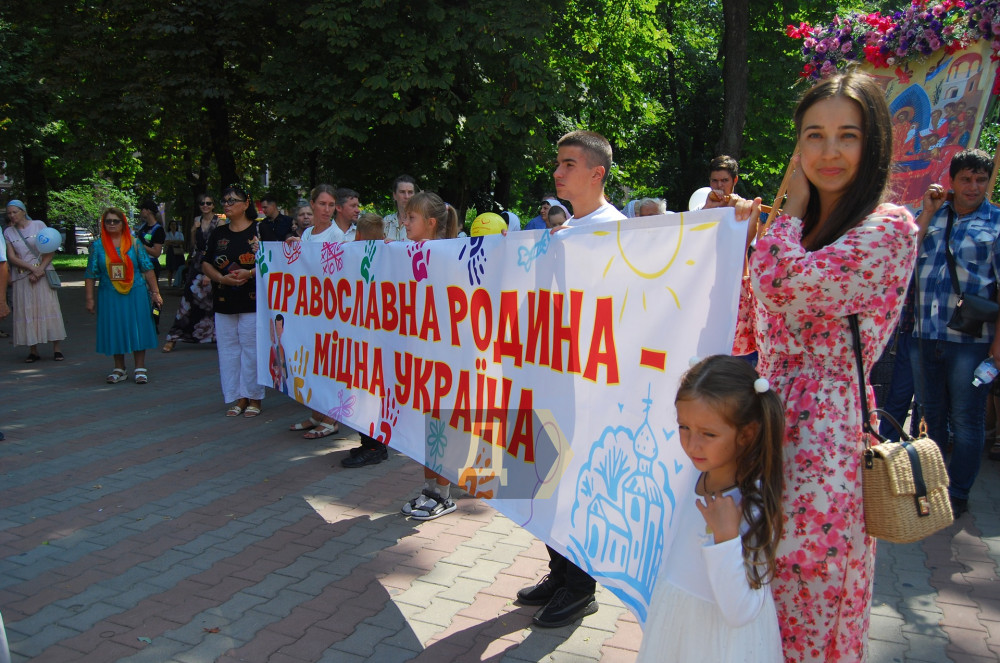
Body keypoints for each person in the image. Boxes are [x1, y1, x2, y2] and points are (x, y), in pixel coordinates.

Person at [724, 72, 918, 661]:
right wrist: (741, 240)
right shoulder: (789, 233)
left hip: (826, 437)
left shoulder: (889, 228)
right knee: (750, 599)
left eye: (847, 135)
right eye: (814, 135)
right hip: (760, 424)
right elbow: (744, 328)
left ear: (874, 143)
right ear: (797, 146)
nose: (829, 152)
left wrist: (783, 217)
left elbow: (784, 285)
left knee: (810, 604)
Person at [518, 130, 627, 629]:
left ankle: (582, 588)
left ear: (596, 173)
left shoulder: (617, 232)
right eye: (558, 163)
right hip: (552, 377)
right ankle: (559, 573)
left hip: (591, 387)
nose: (557, 173)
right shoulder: (561, 233)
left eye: (568, 164)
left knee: (580, 483)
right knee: (547, 477)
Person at [637, 356, 784, 662]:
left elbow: (742, 611)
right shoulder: (691, 474)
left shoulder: (750, 505)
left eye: (708, 434)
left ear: (746, 434)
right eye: (684, 427)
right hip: (674, 626)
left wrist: (726, 538)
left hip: (718, 646)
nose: (692, 445)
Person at [910, 148, 1000, 517]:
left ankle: (958, 493)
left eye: (981, 179)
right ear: (953, 180)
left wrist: (998, 344)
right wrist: (928, 212)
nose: (973, 186)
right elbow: (903, 256)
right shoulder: (932, 215)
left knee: (966, 419)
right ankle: (931, 487)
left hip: (971, 340)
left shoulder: (996, 223)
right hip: (924, 331)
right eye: (966, 179)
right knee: (930, 416)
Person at [394, 192, 461, 494]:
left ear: (431, 222)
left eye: (411, 218)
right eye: (405, 217)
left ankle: (443, 492)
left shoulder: (452, 254)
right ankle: (429, 488)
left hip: (443, 356)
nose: (405, 223)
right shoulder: (404, 253)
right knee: (426, 425)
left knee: (441, 424)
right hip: (420, 355)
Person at [287, 184, 349, 438]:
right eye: (322, 204)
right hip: (309, 310)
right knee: (312, 363)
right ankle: (317, 413)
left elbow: (338, 273)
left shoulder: (337, 236)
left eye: (331, 205)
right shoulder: (307, 234)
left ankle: (332, 419)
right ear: (312, 204)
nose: (326, 209)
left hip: (329, 311)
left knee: (329, 364)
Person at [201, 185, 264, 418]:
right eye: (225, 200)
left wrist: (250, 273)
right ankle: (238, 397)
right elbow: (206, 262)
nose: (227, 204)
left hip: (252, 301)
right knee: (228, 350)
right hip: (224, 298)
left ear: (246, 204)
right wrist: (220, 279)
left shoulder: (259, 230)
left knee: (251, 349)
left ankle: (254, 397)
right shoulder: (219, 233)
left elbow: (272, 262)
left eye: (232, 200)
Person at [84, 208, 163, 384]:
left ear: (123, 223)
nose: (112, 224)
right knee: (115, 328)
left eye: (116, 221)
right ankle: (119, 368)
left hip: (136, 292)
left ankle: (140, 368)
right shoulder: (98, 246)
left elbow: (147, 268)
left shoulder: (134, 243)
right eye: (108, 221)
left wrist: (156, 292)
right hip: (109, 293)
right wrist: (89, 299)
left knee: (138, 327)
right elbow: (90, 274)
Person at [341, 212, 394, 468]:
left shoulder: (355, 254)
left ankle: (375, 446)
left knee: (368, 394)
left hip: (369, 340)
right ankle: (368, 442)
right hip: (371, 339)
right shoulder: (390, 253)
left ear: (358, 235)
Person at [3, 200, 67, 362]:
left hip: (43, 273)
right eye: (9, 213)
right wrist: (32, 269)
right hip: (23, 275)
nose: (12, 215)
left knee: (48, 307)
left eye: (15, 212)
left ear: (23, 211)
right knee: (27, 310)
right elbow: (11, 257)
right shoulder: (9, 232)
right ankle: (33, 349)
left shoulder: (38, 225)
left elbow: (50, 248)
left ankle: (56, 348)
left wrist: (39, 270)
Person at [161, 195, 219, 352]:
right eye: (202, 203)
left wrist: (210, 273)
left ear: (213, 205)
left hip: (213, 262)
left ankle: (217, 335)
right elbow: (193, 245)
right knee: (188, 299)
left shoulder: (219, 222)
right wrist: (193, 230)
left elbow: (220, 247)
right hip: (198, 262)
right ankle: (174, 336)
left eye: (208, 203)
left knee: (213, 300)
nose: (205, 205)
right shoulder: (197, 220)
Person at [135, 201, 165, 282]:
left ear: (148, 211)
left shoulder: (158, 230)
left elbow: (157, 253)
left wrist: (141, 245)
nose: (140, 212)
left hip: (150, 265)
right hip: (139, 263)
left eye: (142, 209)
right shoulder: (143, 227)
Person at [383, 175, 418, 241]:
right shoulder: (386, 221)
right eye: (402, 192)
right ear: (394, 195)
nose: (407, 196)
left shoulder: (421, 222)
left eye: (410, 192)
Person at [164, 220, 186, 285]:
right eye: (172, 224)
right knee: (170, 268)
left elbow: (181, 242)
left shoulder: (180, 234)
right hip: (170, 251)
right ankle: (169, 284)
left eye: (174, 224)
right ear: (169, 226)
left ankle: (177, 283)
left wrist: (172, 242)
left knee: (179, 267)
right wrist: (175, 242)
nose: (173, 226)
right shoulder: (167, 234)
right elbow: (166, 242)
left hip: (178, 251)